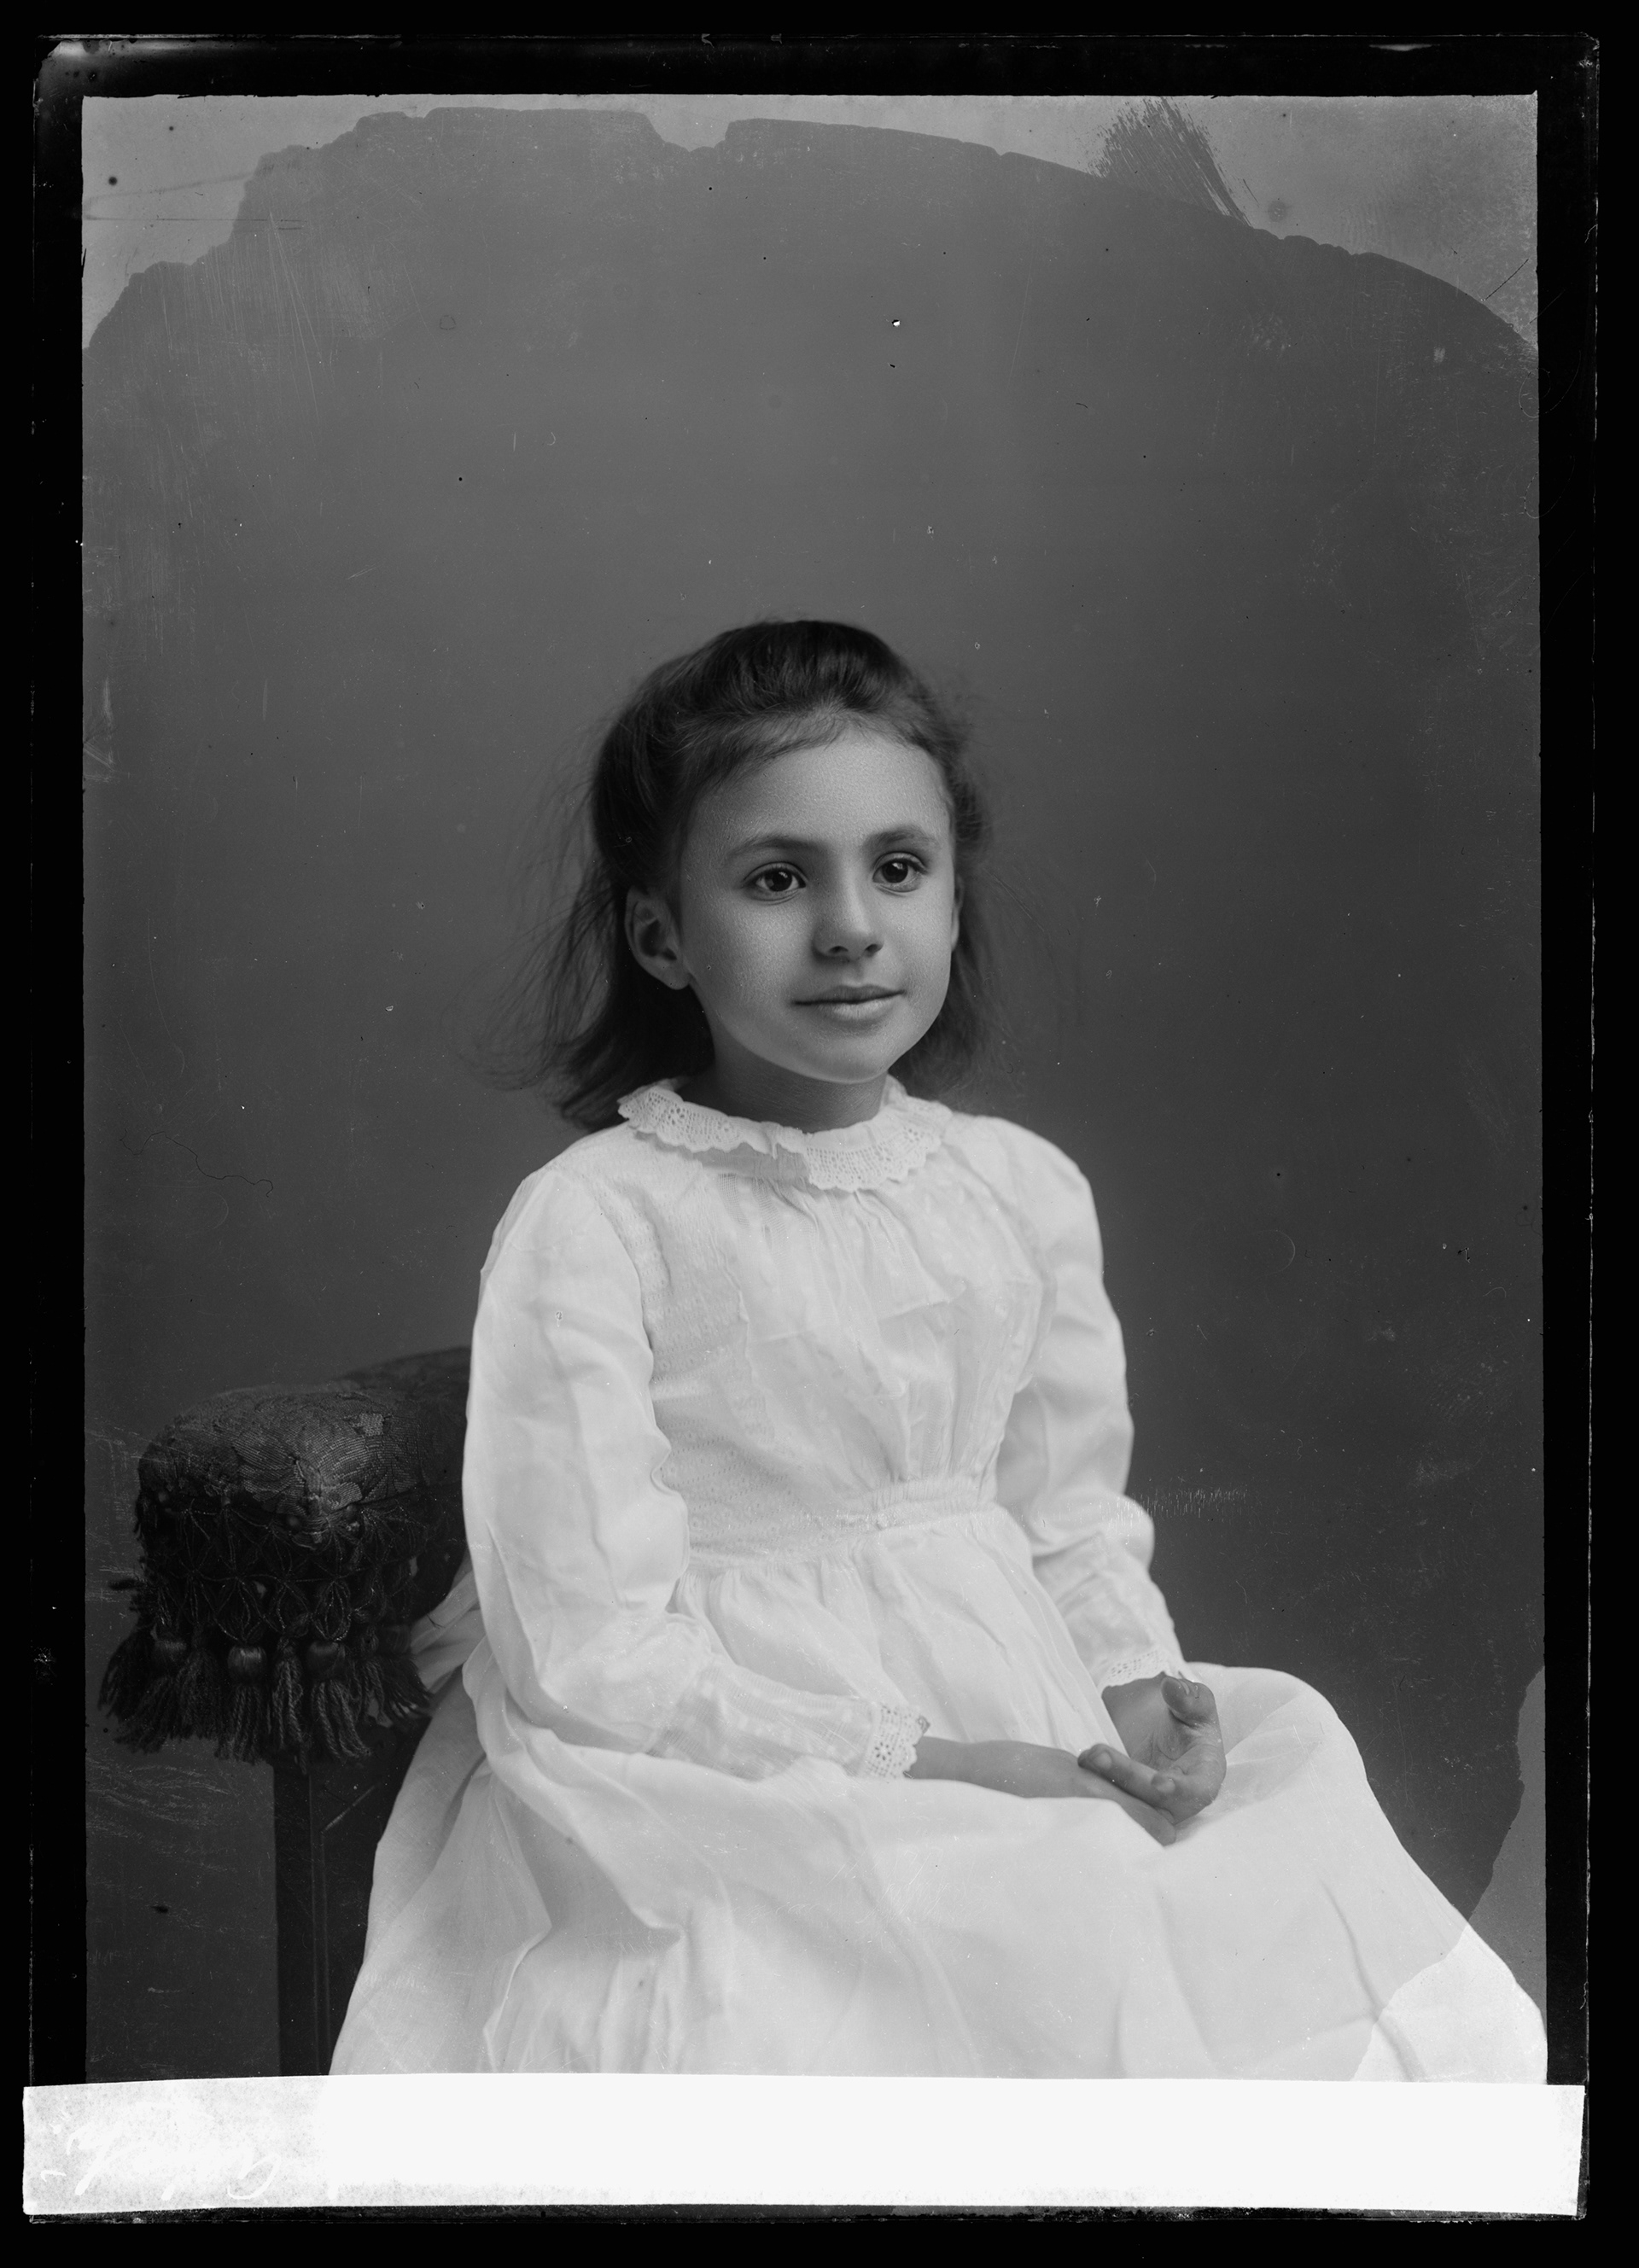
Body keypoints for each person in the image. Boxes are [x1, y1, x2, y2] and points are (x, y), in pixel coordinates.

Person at [332, 621, 1546, 2079]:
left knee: (1243, 1852)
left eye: (898, 869)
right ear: (662, 933)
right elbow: (587, 1645)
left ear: (954, 900)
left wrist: (1135, 1695)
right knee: (933, 1944)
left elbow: (1070, 1516)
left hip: (1016, 1701)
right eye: (778, 879)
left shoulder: (1019, 1189)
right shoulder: (601, 1218)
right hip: (728, 1755)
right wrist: (940, 1764)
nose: (851, 926)